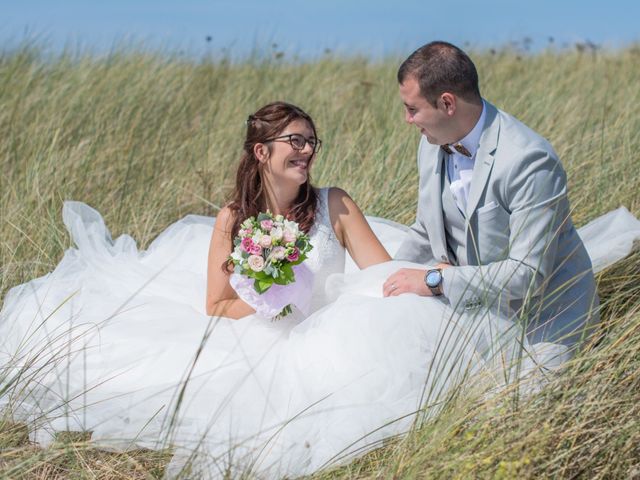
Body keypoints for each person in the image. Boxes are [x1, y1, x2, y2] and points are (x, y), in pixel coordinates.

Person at [383, 41, 600, 349]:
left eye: (413, 109)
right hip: (471, 306)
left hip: (544, 320)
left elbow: (529, 275)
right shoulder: (431, 143)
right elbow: (426, 229)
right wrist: (387, 278)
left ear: (447, 104)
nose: (407, 120)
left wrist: (436, 282)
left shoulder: (528, 160)